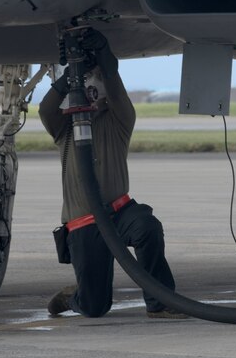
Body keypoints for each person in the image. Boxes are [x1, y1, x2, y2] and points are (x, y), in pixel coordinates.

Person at [40, 28, 186, 319]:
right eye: (85, 87)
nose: (91, 94)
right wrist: (66, 78)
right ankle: (75, 298)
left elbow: (117, 92)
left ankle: (160, 301)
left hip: (120, 213)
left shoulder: (119, 122)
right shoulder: (65, 130)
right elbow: (46, 110)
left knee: (147, 227)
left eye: (97, 87)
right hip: (83, 221)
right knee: (95, 307)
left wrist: (105, 58)